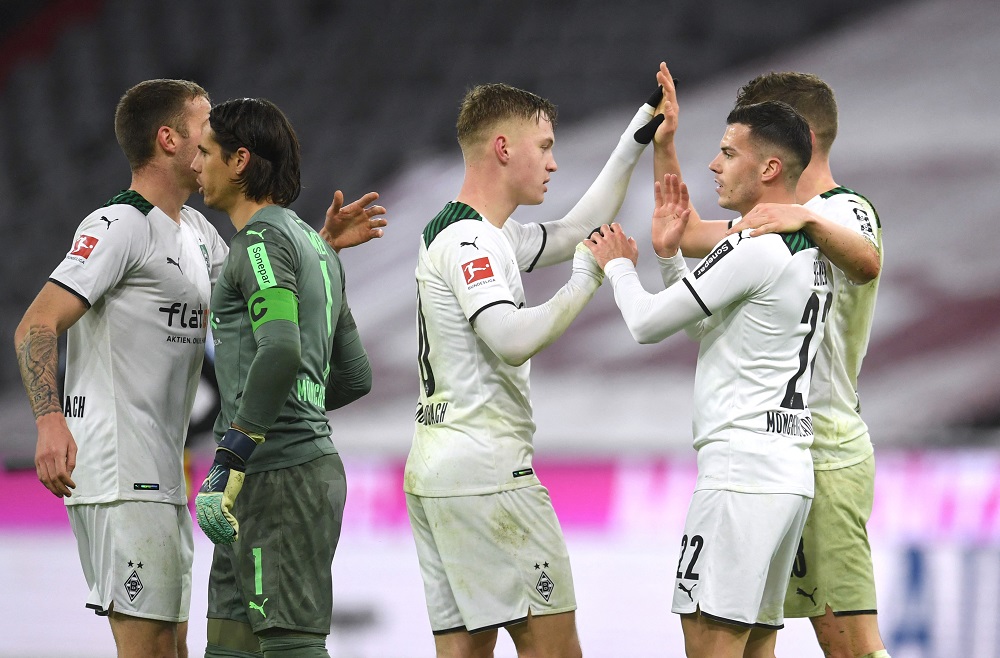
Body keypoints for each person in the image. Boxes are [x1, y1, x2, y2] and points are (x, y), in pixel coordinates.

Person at [13, 79, 386, 658]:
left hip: (172, 471)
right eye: (204, 125)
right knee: (154, 648)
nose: (213, 135)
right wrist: (48, 421)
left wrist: (314, 248)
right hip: (117, 470)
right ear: (169, 140)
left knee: (179, 646)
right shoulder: (117, 226)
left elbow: (255, 296)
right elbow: (36, 325)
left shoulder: (198, 233)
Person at [404, 82, 663, 657]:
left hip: (437, 470)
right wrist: (588, 277)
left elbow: (577, 227)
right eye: (543, 147)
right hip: (487, 475)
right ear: (502, 148)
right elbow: (510, 338)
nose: (553, 162)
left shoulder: (465, 230)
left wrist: (639, 130)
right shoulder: (472, 241)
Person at [653, 63, 888, 658]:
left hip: (828, 448)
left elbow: (867, 261)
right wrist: (666, 147)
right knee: (756, 636)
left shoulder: (842, 210)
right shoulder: (769, 228)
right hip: (781, 453)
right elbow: (685, 233)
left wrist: (808, 215)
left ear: (793, 140)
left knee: (852, 645)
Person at [586, 101, 831, 658]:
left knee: (711, 644)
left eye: (727, 153)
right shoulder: (811, 246)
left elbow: (647, 325)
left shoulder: (755, 247)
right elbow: (709, 329)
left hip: (738, 476)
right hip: (787, 475)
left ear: (768, 168)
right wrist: (670, 257)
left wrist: (617, 264)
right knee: (756, 647)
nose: (715, 165)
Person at [191, 97, 373, 658]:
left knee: (289, 645)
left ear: (240, 160)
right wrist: (299, 408)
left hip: (274, 482)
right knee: (229, 646)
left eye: (206, 153)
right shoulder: (318, 246)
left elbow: (281, 349)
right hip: (275, 476)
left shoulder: (261, 243)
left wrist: (232, 458)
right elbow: (356, 375)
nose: (197, 166)